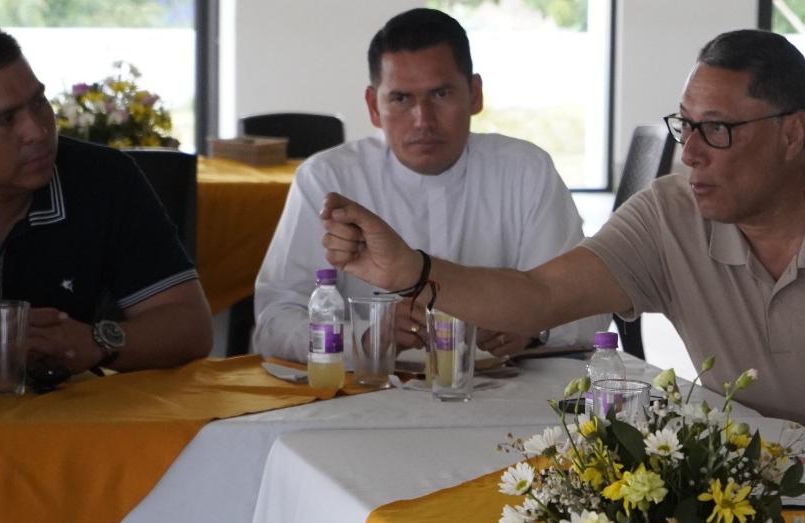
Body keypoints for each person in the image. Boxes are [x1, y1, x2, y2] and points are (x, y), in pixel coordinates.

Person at [319, 29, 805, 472]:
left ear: (792, 133)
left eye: (716, 130)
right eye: (683, 125)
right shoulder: (670, 214)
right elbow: (535, 297)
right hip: (762, 493)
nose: (688, 153)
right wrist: (408, 270)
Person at [252, 8, 604, 362]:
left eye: (440, 94)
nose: (423, 120)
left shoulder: (526, 172)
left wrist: (532, 328)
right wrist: (366, 337)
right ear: (373, 106)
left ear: (475, 94)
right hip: (369, 395)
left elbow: (588, 308)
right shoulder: (327, 179)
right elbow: (274, 320)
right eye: (401, 99)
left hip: (503, 393)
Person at [0, 27, 210, 375]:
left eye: (39, 102)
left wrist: (97, 342)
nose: (38, 131)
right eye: (5, 119)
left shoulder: (104, 179)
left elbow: (191, 326)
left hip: (77, 418)